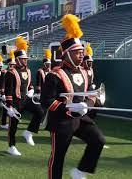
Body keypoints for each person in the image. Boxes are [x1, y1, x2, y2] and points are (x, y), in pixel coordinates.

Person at [40, 14, 105, 179]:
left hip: (80, 119)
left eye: (82, 52)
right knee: (58, 157)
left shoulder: (85, 72)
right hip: (61, 121)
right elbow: (46, 101)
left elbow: (90, 92)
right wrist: (68, 107)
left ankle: (80, 171)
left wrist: (91, 102)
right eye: (77, 52)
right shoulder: (54, 74)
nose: (81, 55)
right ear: (67, 54)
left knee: (98, 140)